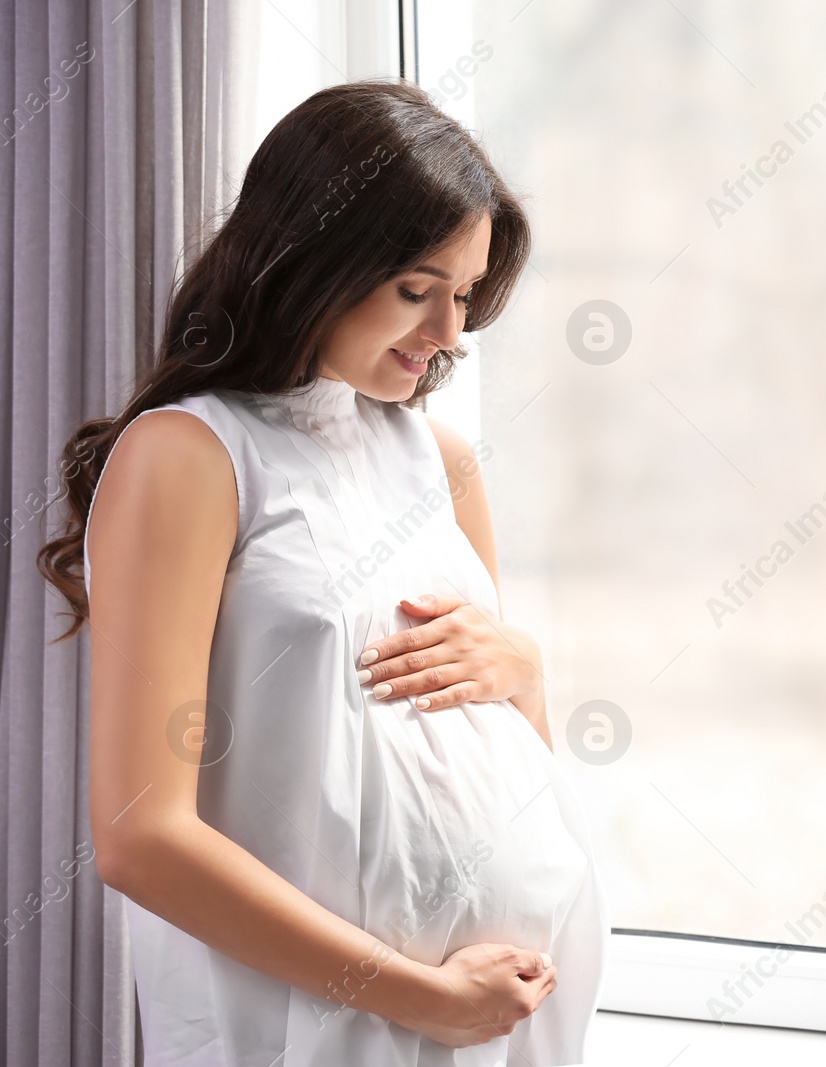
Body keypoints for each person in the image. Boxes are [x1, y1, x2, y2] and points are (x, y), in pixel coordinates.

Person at [36, 80, 606, 1065]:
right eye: (416, 289)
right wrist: (422, 994)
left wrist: (526, 673)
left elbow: (504, 761)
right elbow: (139, 836)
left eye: (464, 295)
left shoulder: (441, 459)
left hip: (501, 1020)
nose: (447, 334)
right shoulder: (190, 455)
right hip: (315, 1019)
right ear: (314, 257)